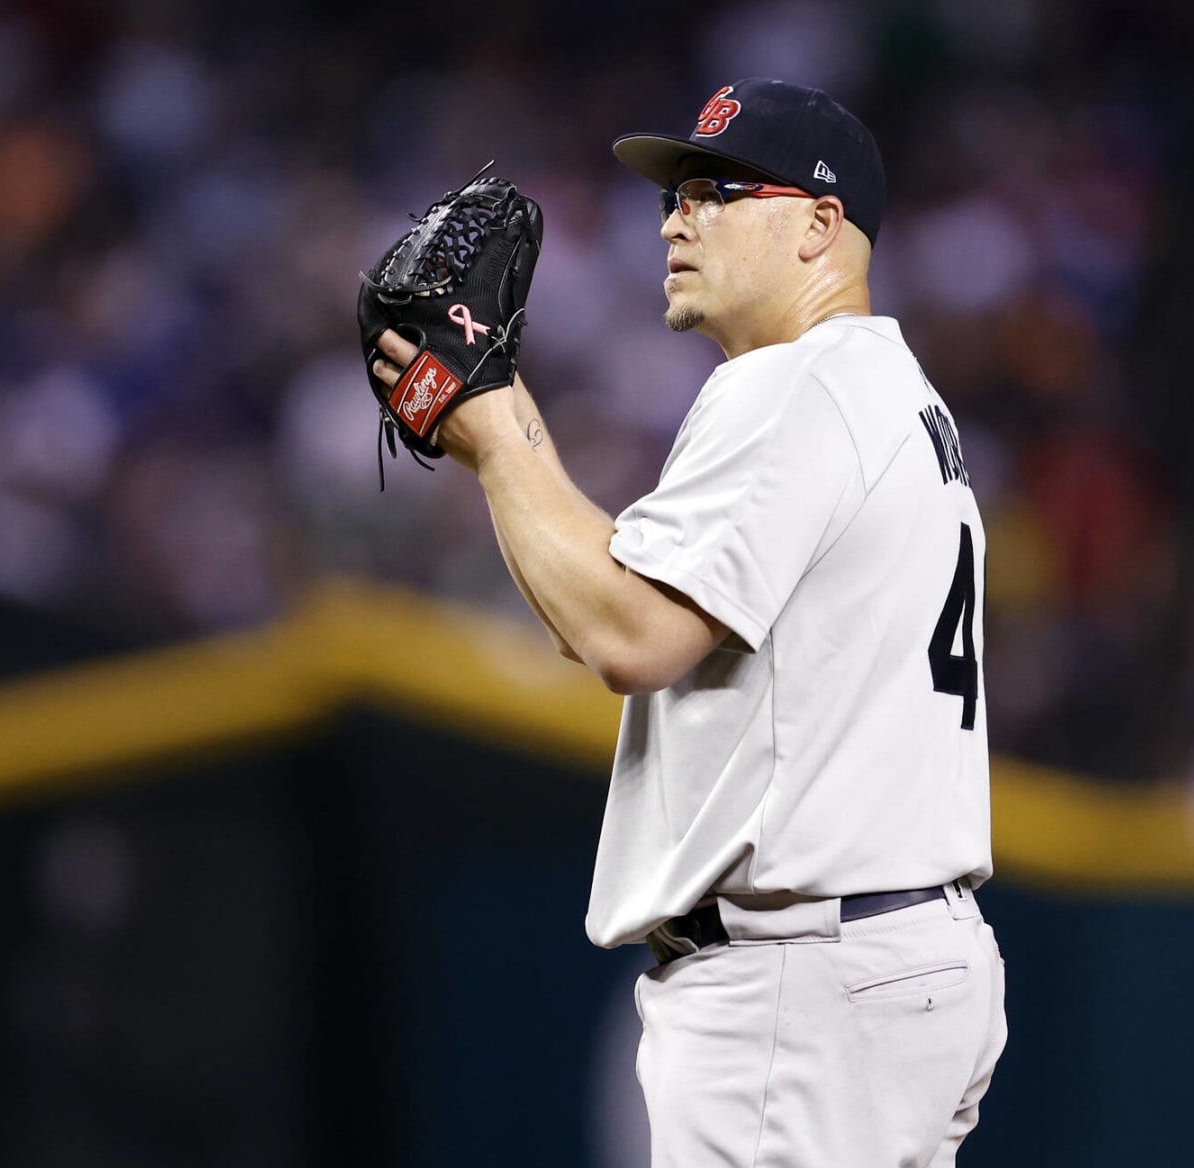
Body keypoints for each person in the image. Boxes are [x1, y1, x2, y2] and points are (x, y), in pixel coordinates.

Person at [372, 78, 1006, 1166]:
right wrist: (502, 415)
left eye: (717, 190)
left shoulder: (792, 389)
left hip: (798, 977)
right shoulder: (887, 393)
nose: (675, 218)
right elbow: (608, 611)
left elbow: (629, 637)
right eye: (674, 196)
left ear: (820, 225)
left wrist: (487, 423)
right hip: (882, 960)